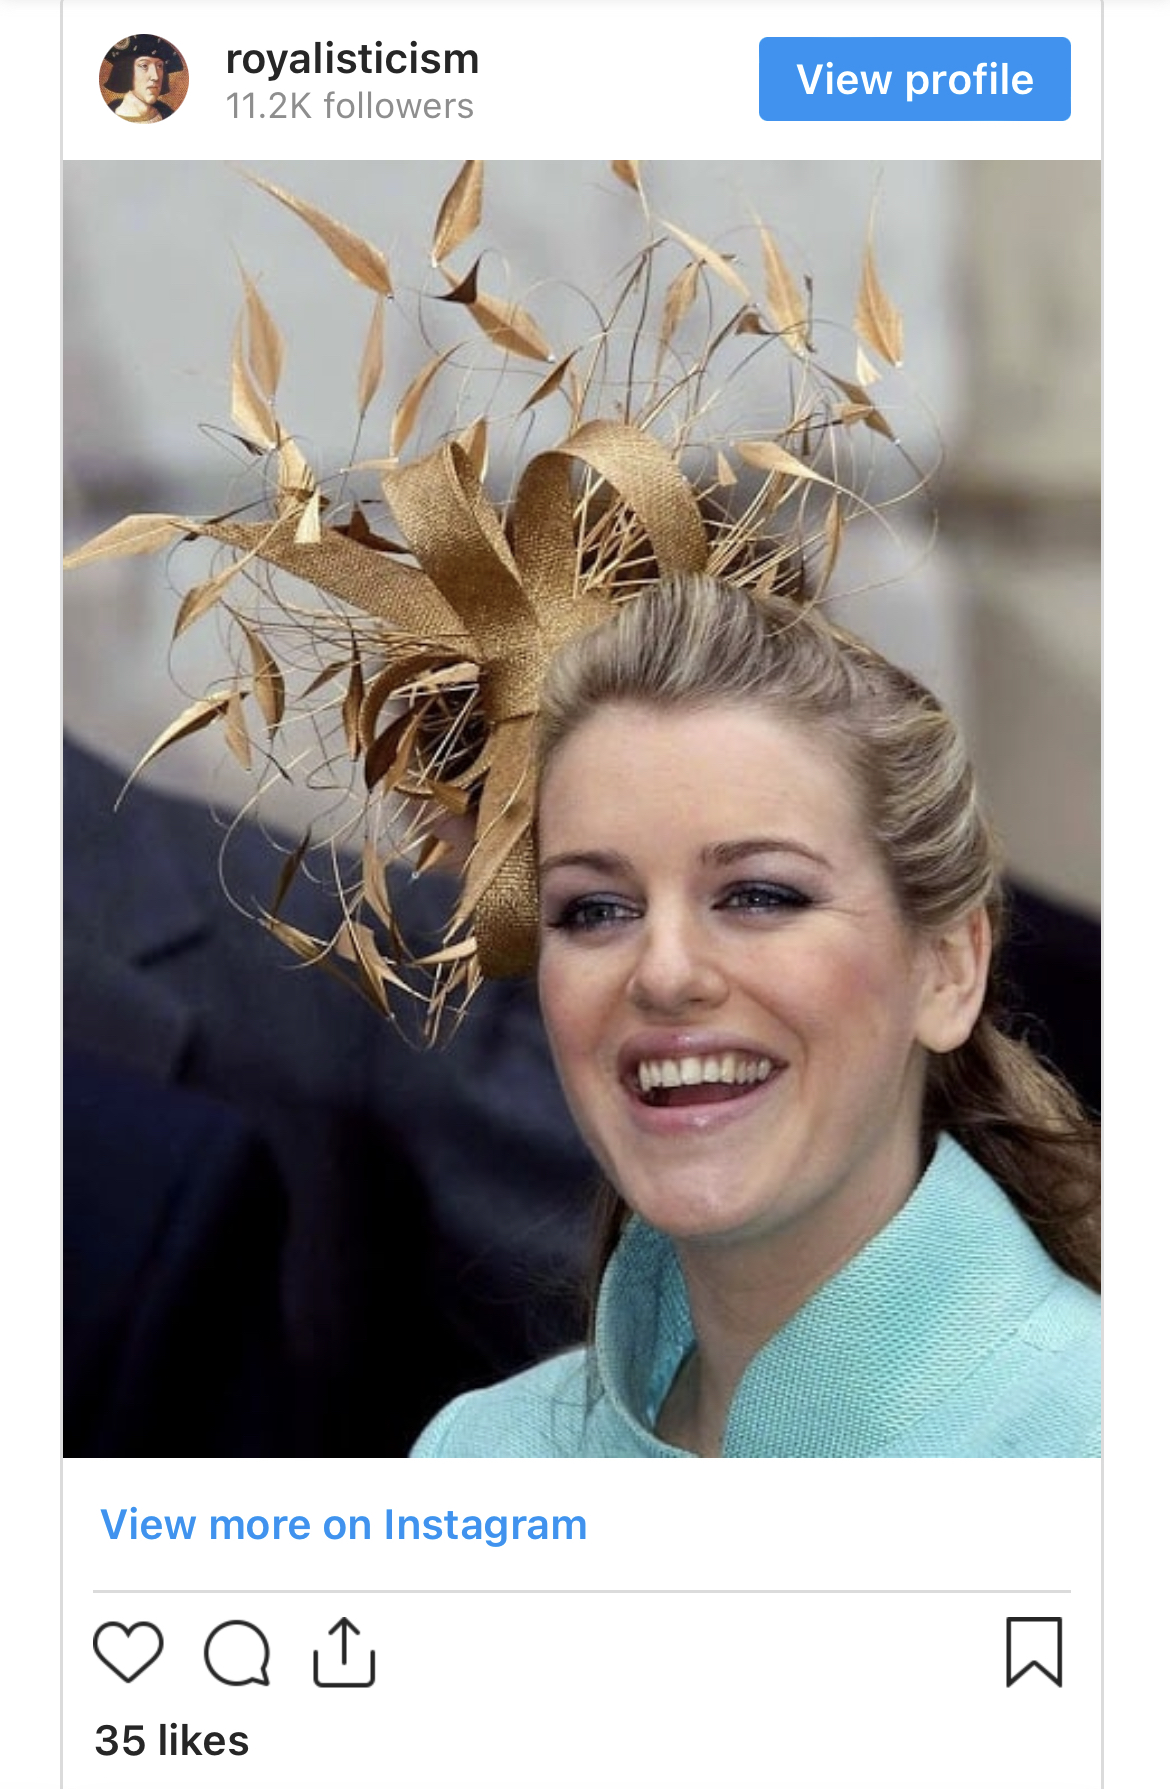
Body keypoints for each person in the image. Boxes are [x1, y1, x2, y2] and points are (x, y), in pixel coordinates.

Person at [64, 163, 1101, 1460]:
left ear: (950, 963)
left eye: (759, 893)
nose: (663, 969)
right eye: (591, 909)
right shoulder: (473, 1454)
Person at [103, 34, 183, 122]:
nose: (156, 77)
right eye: (144, 66)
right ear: (127, 72)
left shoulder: (167, 113)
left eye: (159, 66)